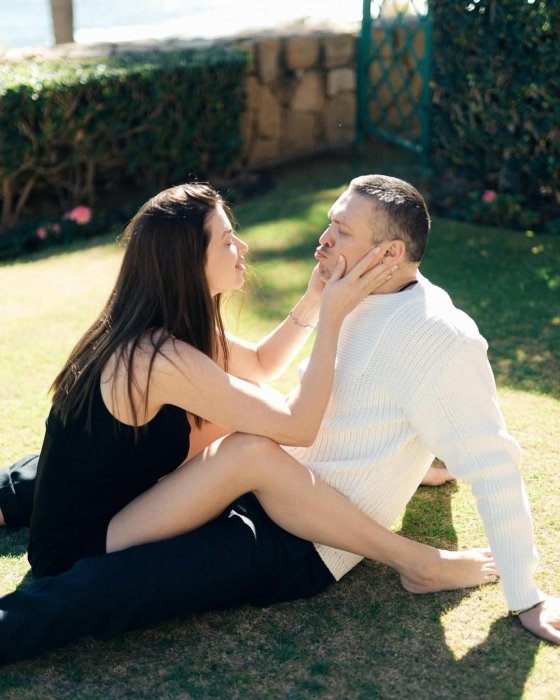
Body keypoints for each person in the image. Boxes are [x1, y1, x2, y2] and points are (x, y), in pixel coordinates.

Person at [1, 175, 558, 666]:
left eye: (340, 229)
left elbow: (266, 366)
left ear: (388, 254)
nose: (321, 240)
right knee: (243, 439)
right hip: (91, 537)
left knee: (230, 426)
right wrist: (331, 316)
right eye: (227, 240)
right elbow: (297, 425)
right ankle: (415, 561)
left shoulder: (163, 321)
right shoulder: (161, 353)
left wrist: (318, 303)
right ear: (187, 263)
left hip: (136, 500)